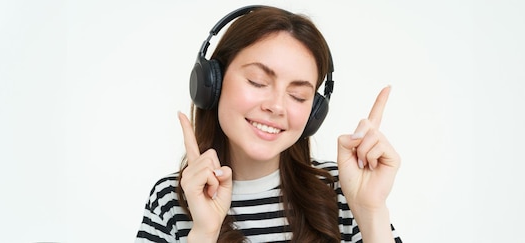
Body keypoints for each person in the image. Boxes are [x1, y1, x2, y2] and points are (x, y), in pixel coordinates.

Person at [136, 5, 402, 243]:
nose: (276, 106)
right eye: (257, 82)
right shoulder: (171, 199)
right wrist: (204, 234)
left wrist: (371, 213)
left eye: (298, 96)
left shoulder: (342, 190)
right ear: (212, 83)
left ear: (314, 113)